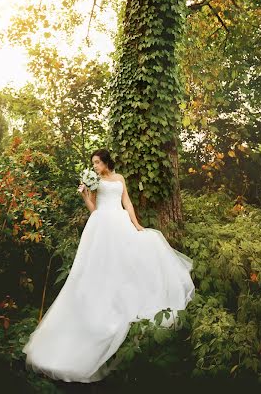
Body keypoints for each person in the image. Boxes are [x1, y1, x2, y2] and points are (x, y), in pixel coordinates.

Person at [22, 148, 195, 383]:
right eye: (92, 163)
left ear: (105, 162)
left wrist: (136, 225)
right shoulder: (94, 181)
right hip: (102, 225)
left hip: (121, 222)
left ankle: (126, 299)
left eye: (96, 163)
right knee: (99, 266)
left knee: (136, 254)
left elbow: (127, 203)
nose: (94, 166)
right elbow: (94, 208)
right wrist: (85, 194)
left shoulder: (119, 178)